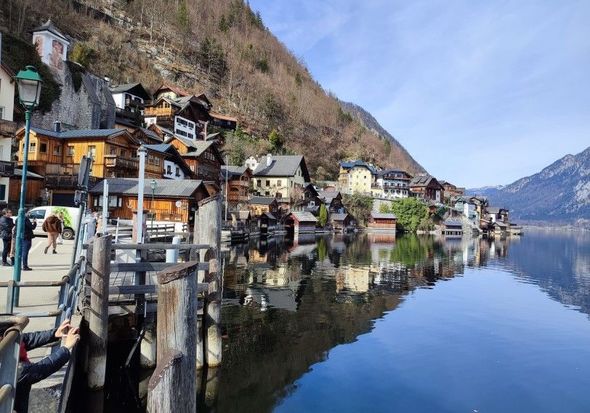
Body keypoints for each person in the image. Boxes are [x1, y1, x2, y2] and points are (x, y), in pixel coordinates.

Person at [14, 319, 80, 413]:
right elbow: (41, 369)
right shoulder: (11, 369)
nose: (21, 342)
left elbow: (26, 339)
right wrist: (66, 347)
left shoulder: (11, 349)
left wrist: (54, 334)